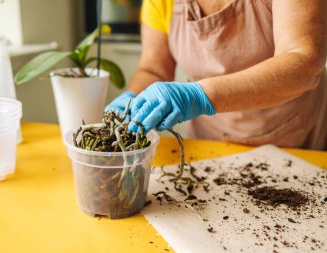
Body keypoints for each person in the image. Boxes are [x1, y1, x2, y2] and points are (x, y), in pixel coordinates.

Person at [105, 0, 327, 150]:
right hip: (208, 147)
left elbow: (304, 62)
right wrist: (131, 99)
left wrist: (198, 95)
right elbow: (154, 67)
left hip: (294, 143)